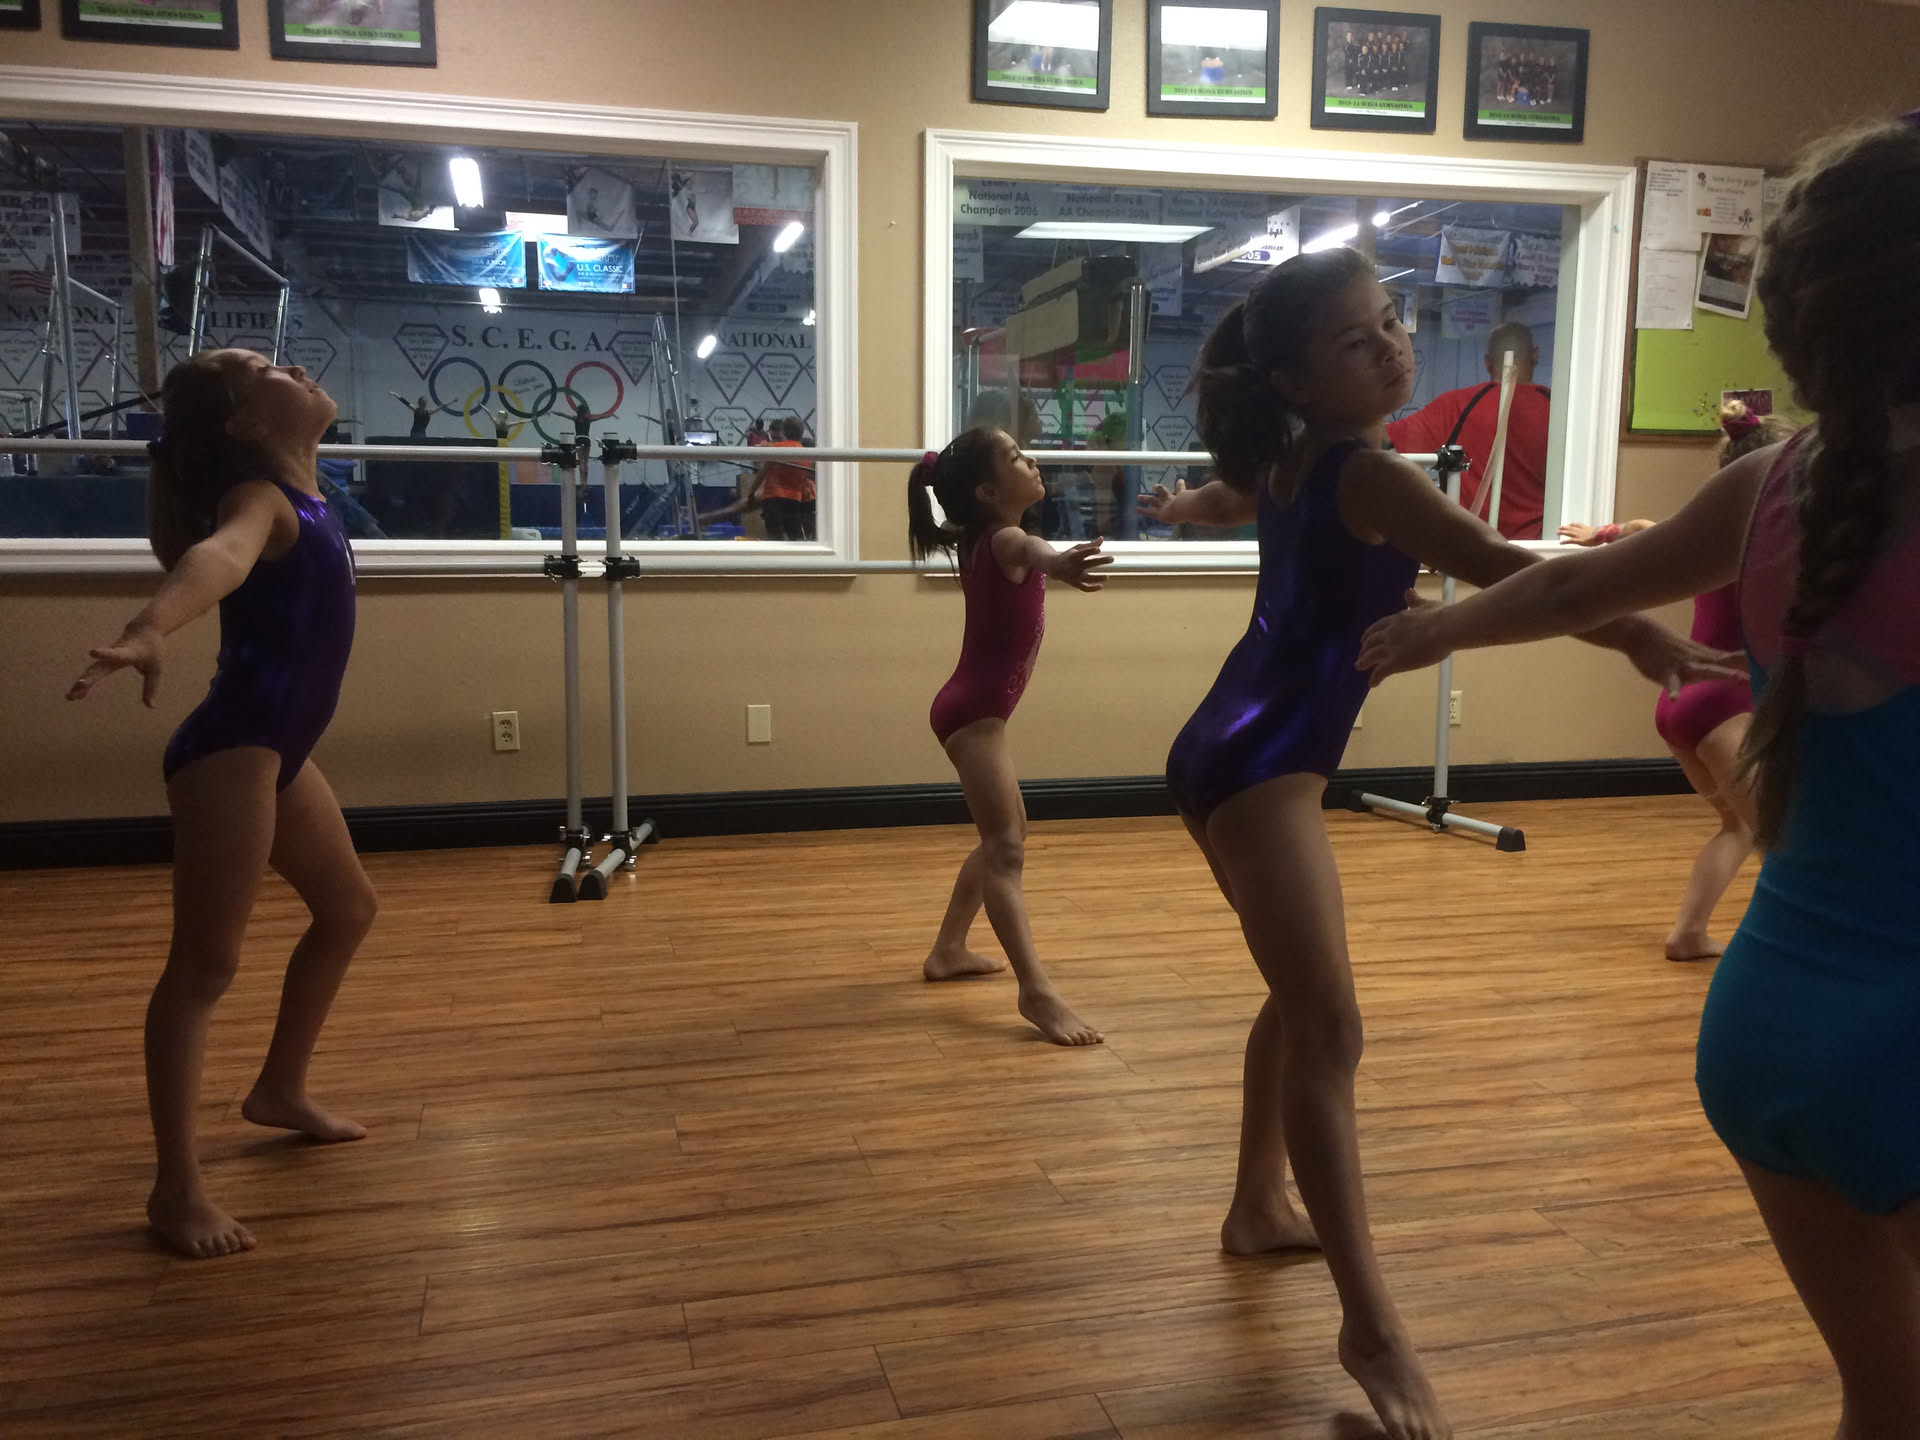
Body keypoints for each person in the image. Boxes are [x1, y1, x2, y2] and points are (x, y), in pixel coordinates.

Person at [1358, 117, 1920, 1433]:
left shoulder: (1769, 485)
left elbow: (1576, 587)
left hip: (1769, 1031)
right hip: (1904, 1043)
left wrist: (1436, 628)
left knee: (1887, 1405)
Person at [1136, 246, 1723, 1439]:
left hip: (1226, 749)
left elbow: (1242, 509)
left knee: (1299, 1003)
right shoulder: (1369, 473)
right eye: (1358, 341)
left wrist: (1189, 507)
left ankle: (1257, 1203)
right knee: (1332, 1031)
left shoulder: (1293, 454)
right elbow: (1517, 573)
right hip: (1261, 774)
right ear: (1297, 378)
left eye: (1394, 322)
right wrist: (1641, 636)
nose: (1395, 348)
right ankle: (1373, 1330)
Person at [67, 349, 373, 1260]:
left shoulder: (308, 495)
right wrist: (149, 627)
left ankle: (279, 1090)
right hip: (232, 751)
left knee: (348, 909)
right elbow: (221, 556)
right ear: (245, 423)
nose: (299, 365)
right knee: (203, 969)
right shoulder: (260, 500)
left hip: (277, 751)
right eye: (268, 365)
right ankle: (176, 1189)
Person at [1558, 400, 1797, 960]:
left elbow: (1644, 529)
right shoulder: (1774, 546)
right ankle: (1785, 953)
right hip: (1727, 705)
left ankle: (1689, 934)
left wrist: (1602, 533)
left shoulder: (1708, 538)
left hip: (1679, 701)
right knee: (1784, 844)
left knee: (1738, 828)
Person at [908, 426, 1111, 1047]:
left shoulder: (980, 538)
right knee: (1007, 851)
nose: (1033, 460)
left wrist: (1056, 562)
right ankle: (1036, 992)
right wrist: (1062, 564)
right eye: (1018, 457)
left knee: (1008, 836)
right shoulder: (1005, 539)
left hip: (977, 712)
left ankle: (949, 949)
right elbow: (1035, 550)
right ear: (989, 491)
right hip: (973, 715)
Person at [1387, 322, 1550, 539]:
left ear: (1487, 362)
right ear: (1535, 356)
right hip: (1539, 551)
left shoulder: (1455, 406)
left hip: (1470, 549)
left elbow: (1382, 440)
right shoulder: (1558, 412)